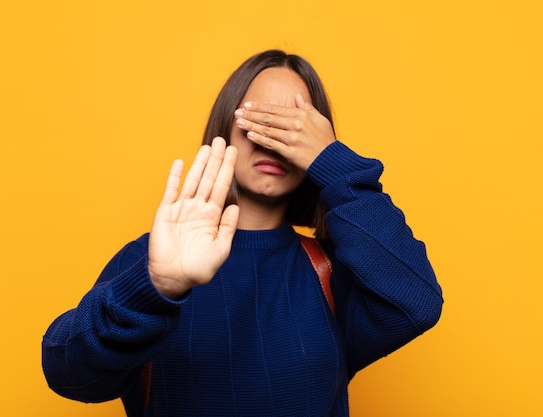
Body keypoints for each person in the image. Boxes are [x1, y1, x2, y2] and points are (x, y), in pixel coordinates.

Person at [42, 49, 443, 416]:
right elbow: (67, 373)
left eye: (294, 127)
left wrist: (336, 165)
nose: (274, 141)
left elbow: (417, 305)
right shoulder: (154, 262)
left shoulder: (329, 273)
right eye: (258, 119)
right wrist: (156, 286)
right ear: (225, 130)